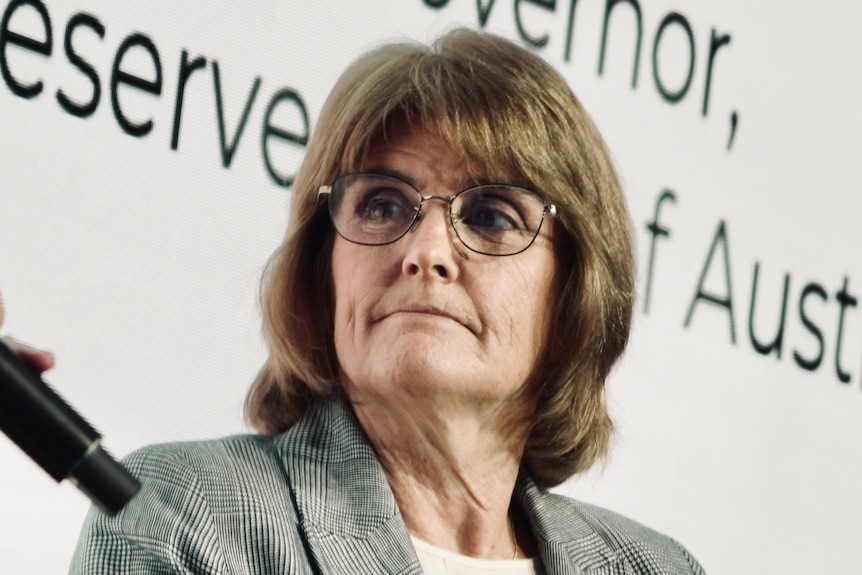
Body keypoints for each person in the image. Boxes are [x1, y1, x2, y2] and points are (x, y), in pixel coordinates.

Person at [15, 27, 702, 574]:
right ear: (325, 272)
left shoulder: (657, 567)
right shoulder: (184, 513)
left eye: (492, 216)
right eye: (383, 205)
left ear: (573, 292)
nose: (426, 251)